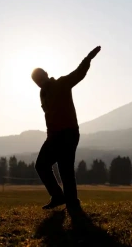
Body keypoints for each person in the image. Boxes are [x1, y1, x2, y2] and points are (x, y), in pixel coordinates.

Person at [31, 46, 101, 212]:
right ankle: (60, 197)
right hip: (54, 135)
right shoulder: (43, 93)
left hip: (68, 132)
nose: (39, 81)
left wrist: (88, 58)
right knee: (42, 165)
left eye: (40, 77)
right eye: (36, 80)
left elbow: (79, 73)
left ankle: (71, 202)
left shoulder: (61, 83)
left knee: (65, 168)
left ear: (46, 74)